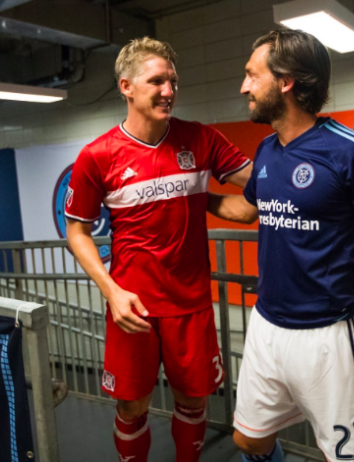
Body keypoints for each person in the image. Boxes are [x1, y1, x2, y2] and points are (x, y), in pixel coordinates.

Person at [207, 29, 354, 462]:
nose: (244, 86)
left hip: (329, 334)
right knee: (248, 441)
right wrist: (186, 200)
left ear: (285, 82)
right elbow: (247, 211)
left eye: (251, 75)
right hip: (267, 325)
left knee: (347, 459)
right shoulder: (266, 150)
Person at [65, 37, 252, 462]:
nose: (168, 90)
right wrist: (111, 291)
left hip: (192, 303)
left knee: (194, 400)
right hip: (133, 306)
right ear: (126, 86)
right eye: (157, 81)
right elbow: (76, 231)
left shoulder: (200, 139)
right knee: (132, 407)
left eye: (173, 81)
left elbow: (255, 186)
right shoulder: (98, 155)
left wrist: (298, 169)